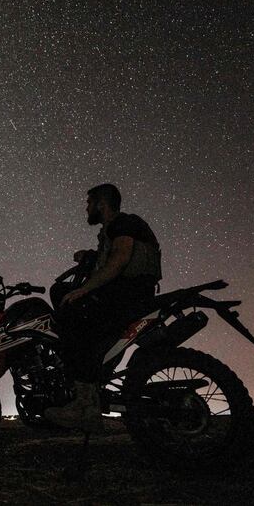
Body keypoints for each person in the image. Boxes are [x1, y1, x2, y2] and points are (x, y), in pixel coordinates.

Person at [45, 183, 161, 432]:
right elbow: (108, 260)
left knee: (72, 317)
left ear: (101, 203)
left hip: (127, 295)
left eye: (89, 203)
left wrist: (84, 290)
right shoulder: (113, 230)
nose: (86, 208)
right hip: (123, 294)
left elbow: (119, 260)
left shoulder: (123, 222)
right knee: (62, 294)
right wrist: (89, 256)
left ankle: (85, 405)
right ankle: (89, 375)